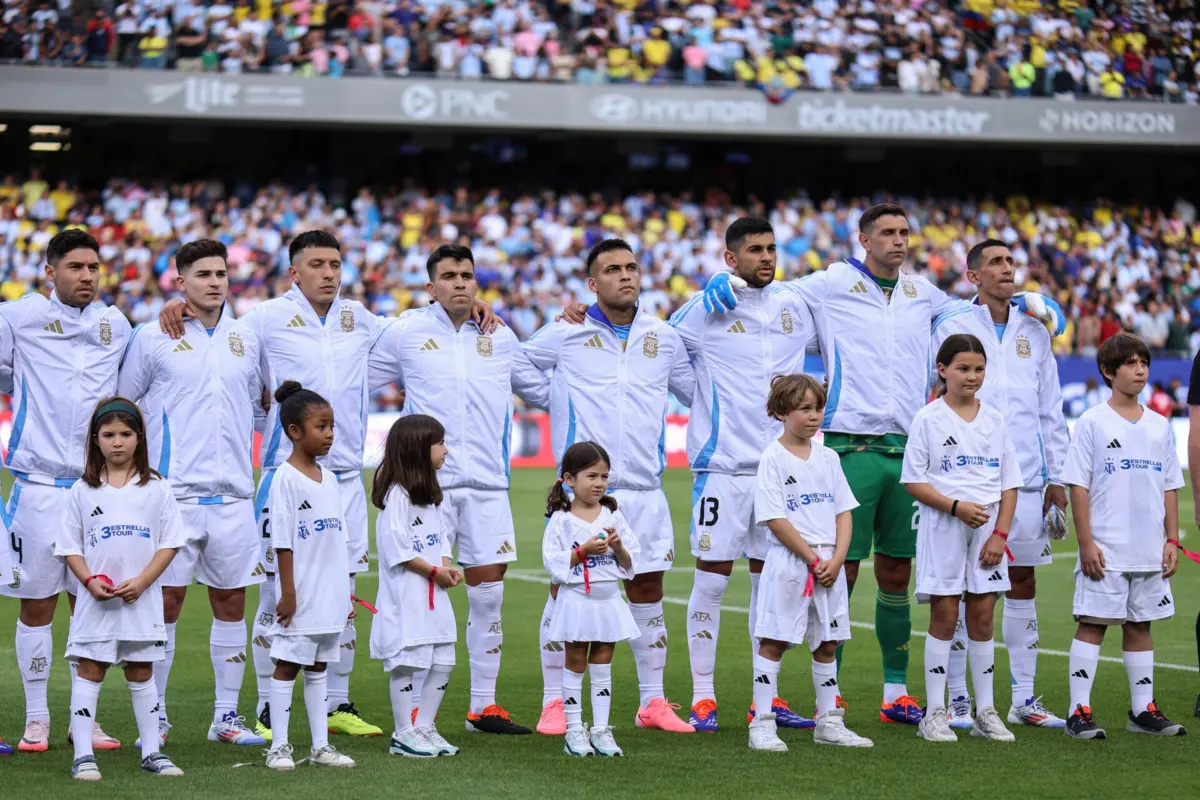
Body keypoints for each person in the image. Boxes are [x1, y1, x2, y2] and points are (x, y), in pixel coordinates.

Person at [701, 204, 1064, 724]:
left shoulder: (924, 295)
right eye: (888, 234)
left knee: (898, 572)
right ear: (865, 240)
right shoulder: (828, 284)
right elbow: (770, 291)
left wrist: (1018, 299)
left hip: (909, 451)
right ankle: (833, 693)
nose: (899, 242)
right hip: (850, 448)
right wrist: (725, 276)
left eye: (904, 233)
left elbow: (968, 314)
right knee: (838, 570)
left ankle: (896, 692)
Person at [161, 230, 387, 739]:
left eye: (336, 263)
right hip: (284, 478)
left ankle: (336, 702)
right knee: (272, 592)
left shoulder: (360, 319)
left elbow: (413, 336)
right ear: (294, 272)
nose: (330, 273)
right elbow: (218, 340)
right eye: (318, 264)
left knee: (342, 591)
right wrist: (178, 308)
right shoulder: (262, 319)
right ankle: (267, 707)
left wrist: (468, 304)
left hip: (346, 477)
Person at [368, 244, 547, 735]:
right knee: (424, 594)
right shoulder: (406, 331)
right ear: (431, 287)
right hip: (430, 487)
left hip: (488, 484)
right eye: (449, 276)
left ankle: (482, 708)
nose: (461, 283)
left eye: (467, 275)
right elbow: (355, 375)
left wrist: (569, 325)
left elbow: (543, 390)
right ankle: (416, 720)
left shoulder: (500, 334)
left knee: (488, 596)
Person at [521, 238, 695, 735]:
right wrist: (555, 398)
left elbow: (691, 390)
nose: (626, 275)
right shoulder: (565, 332)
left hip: (643, 487)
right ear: (592, 284)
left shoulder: (663, 336)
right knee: (565, 591)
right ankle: (554, 703)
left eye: (632, 267)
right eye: (612, 269)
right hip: (582, 497)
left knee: (648, 590)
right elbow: (517, 367)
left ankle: (653, 702)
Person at [667, 216, 818, 732]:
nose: (766, 257)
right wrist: (703, 400)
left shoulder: (796, 306)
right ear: (730, 259)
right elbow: (660, 347)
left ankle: (766, 697)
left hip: (780, 470)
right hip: (724, 469)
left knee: (771, 583)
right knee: (711, 581)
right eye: (754, 250)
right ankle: (703, 697)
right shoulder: (708, 307)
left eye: (771, 248)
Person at [118, 239, 267, 748]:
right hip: (172, 496)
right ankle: (153, 719)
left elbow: (261, 408)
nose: (214, 281)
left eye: (221, 273)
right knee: (166, 605)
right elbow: (123, 404)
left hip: (234, 499)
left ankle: (225, 718)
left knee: (231, 605)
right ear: (179, 282)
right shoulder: (152, 336)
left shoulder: (247, 337)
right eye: (202, 274)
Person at [0, 229, 132, 753]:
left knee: (91, 606)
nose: (87, 276)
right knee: (36, 606)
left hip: (96, 491)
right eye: (75, 267)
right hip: (37, 488)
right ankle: (37, 719)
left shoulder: (115, 324)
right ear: (50, 272)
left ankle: (86, 717)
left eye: (94, 267)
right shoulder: (19, 316)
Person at [930, 240, 1069, 729]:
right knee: (963, 590)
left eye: (1012, 262)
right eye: (996, 262)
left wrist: (1058, 476)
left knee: (1023, 582)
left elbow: (1050, 407)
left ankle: (1024, 699)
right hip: (963, 479)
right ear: (973, 276)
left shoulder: (1036, 326)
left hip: (1027, 479)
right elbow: (933, 395)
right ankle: (959, 702)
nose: (1007, 269)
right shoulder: (950, 324)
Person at [1061, 333, 1187, 739]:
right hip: (1106, 547)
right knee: (1094, 624)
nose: (1139, 370)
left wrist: (1171, 539)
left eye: (1144, 363)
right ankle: (1078, 711)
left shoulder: (1160, 425)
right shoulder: (1093, 422)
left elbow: (1170, 486)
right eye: (1130, 363)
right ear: (1108, 372)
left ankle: (1141, 711)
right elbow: (1077, 486)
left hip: (1148, 548)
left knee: (1141, 625)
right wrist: (1085, 542)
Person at [56, 398, 187, 780]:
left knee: (142, 670)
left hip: (140, 601)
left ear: (139, 437)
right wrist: (89, 582)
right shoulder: (83, 490)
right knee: (91, 669)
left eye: (125, 434)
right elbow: (70, 547)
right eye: (109, 434)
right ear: (95, 440)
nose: (118, 442)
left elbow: (170, 542)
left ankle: (152, 752)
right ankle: (83, 755)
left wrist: (144, 582)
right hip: (96, 602)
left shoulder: (157, 487)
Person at [901, 334, 1021, 743]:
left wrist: (1000, 535)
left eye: (979, 369)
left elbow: (1010, 484)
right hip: (944, 526)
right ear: (943, 370)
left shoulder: (996, 419)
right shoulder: (928, 419)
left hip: (988, 530)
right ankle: (936, 713)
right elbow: (913, 481)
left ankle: (986, 711)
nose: (972, 377)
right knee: (945, 616)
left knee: (983, 618)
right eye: (964, 369)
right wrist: (955, 507)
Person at [750, 375, 871, 752]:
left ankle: (829, 721)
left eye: (817, 408)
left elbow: (844, 512)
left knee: (828, 644)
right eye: (804, 409)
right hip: (790, 562)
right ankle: (763, 724)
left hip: (828, 563)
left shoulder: (829, 457)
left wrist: (837, 559)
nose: (813, 416)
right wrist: (811, 557)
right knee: (773, 640)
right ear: (782, 411)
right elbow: (775, 519)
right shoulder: (772, 458)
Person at [262, 381, 356, 770]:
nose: (330, 434)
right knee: (287, 665)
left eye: (332, 425)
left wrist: (344, 594)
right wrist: (287, 592)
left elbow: (338, 542)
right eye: (321, 426)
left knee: (319, 667)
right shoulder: (284, 478)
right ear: (294, 432)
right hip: (300, 593)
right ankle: (279, 746)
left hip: (329, 593)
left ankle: (320, 746)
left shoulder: (331, 479)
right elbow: (283, 542)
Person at [369, 414, 463, 759]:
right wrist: (432, 571)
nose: (446, 450)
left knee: (444, 657)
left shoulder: (431, 496)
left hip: (434, 593)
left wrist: (447, 568)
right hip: (407, 593)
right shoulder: (397, 496)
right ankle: (403, 732)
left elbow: (440, 541)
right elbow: (397, 548)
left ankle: (424, 725)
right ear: (419, 449)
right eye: (440, 444)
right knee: (407, 660)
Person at [542, 442, 641, 757]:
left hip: (608, 600)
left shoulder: (613, 514)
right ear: (569, 479)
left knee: (603, 663)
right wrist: (582, 552)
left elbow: (631, 560)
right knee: (574, 663)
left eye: (604, 477)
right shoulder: (562, 518)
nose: (599, 483)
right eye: (591, 476)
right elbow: (552, 560)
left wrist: (618, 548)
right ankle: (574, 730)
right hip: (576, 602)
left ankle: (601, 729)